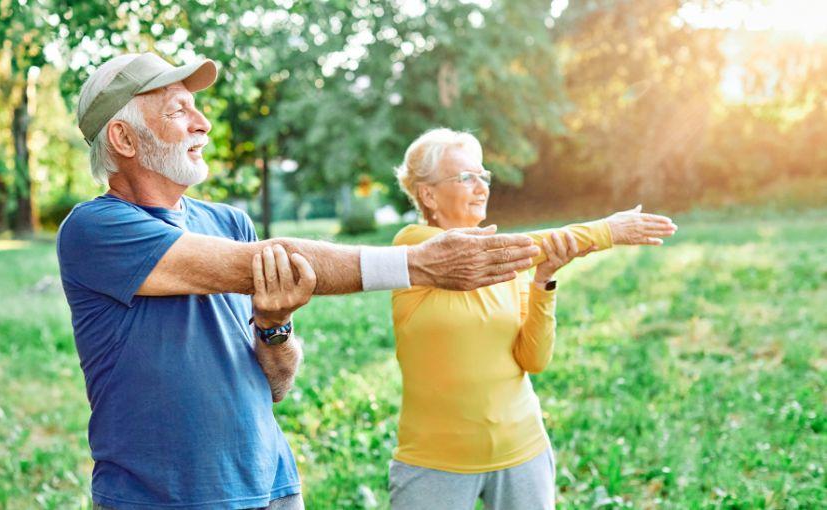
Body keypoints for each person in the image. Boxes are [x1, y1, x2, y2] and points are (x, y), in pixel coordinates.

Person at [57, 53, 545, 510]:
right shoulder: (95, 229)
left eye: (196, 108)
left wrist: (274, 325)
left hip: (272, 487)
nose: (202, 123)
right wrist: (416, 264)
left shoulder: (229, 223)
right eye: (177, 111)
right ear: (123, 139)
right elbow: (267, 262)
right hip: (164, 498)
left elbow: (276, 385)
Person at [387, 128, 678, 509]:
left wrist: (543, 282)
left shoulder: (510, 264)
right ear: (428, 194)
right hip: (435, 463)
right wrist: (605, 231)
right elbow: (485, 253)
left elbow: (534, 360)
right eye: (466, 177)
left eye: (483, 176)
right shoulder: (412, 247)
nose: (482, 187)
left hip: (522, 450)